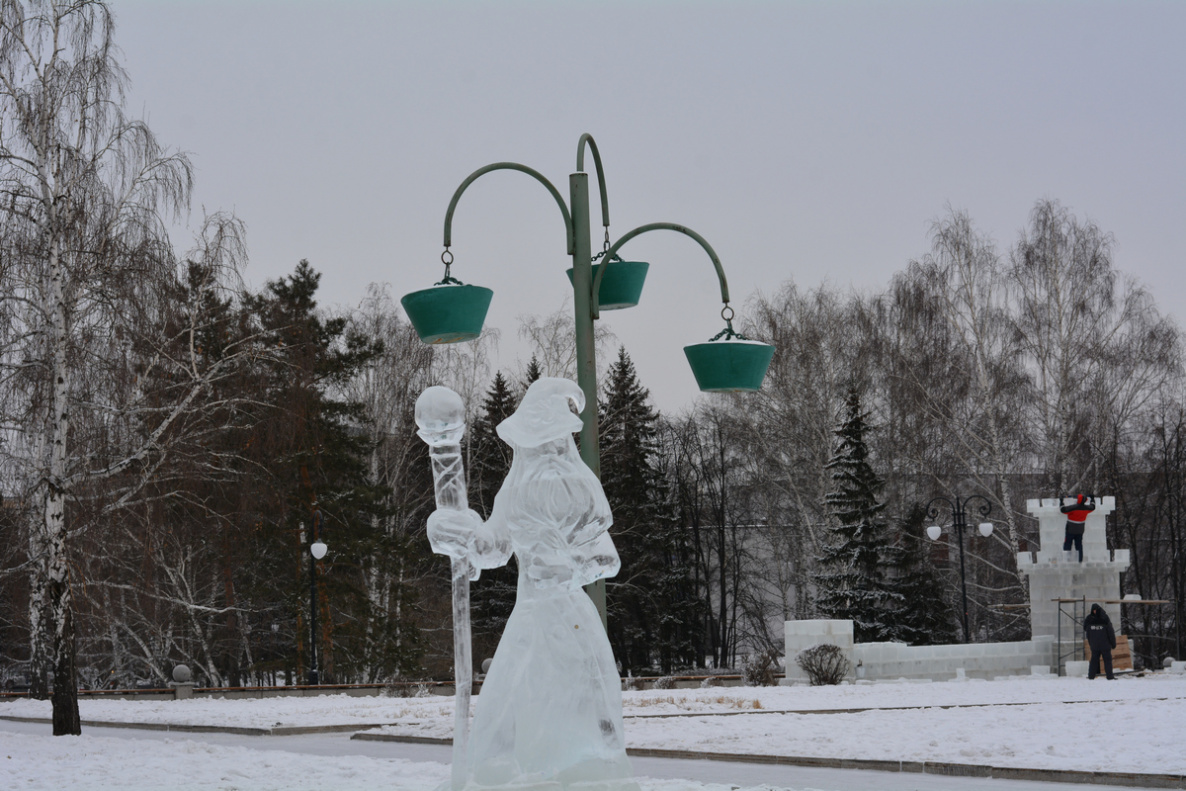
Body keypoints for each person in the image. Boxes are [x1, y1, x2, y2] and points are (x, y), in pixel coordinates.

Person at [427, 377, 636, 790]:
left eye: (556, 442)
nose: (549, 452)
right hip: (528, 617)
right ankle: (498, 779)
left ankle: (578, 775)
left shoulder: (580, 494)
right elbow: (492, 549)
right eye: (539, 442)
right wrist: (457, 533)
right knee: (504, 703)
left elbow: (606, 559)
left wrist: (572, 569)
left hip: (570, 622)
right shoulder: (515, 495)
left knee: (572, 701)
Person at [1084, 603, 1117, 680]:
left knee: (1106, 661)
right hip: (1099, 645)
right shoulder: (1104, 618)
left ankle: (1109, 677)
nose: (1094, 611)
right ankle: (1091, 676)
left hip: (1101, 645)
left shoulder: (1090, 619)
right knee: (1095, 661)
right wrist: (1113, 643)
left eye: (1095, 610)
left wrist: (1113, 643)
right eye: (1093, 610)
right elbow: (1110, 632)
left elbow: (1110, 632)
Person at [1059, 493, 1095, 562]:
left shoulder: (1073, 508)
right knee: (1079, 546)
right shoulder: (1086, 508)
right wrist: (1092, 499)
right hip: (1080, 530)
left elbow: (1063, 510)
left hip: (1070, 529)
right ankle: (1079, 561)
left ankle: (1066, 560)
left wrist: (1061, 501)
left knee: (1067, 544)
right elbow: (1093, 507)